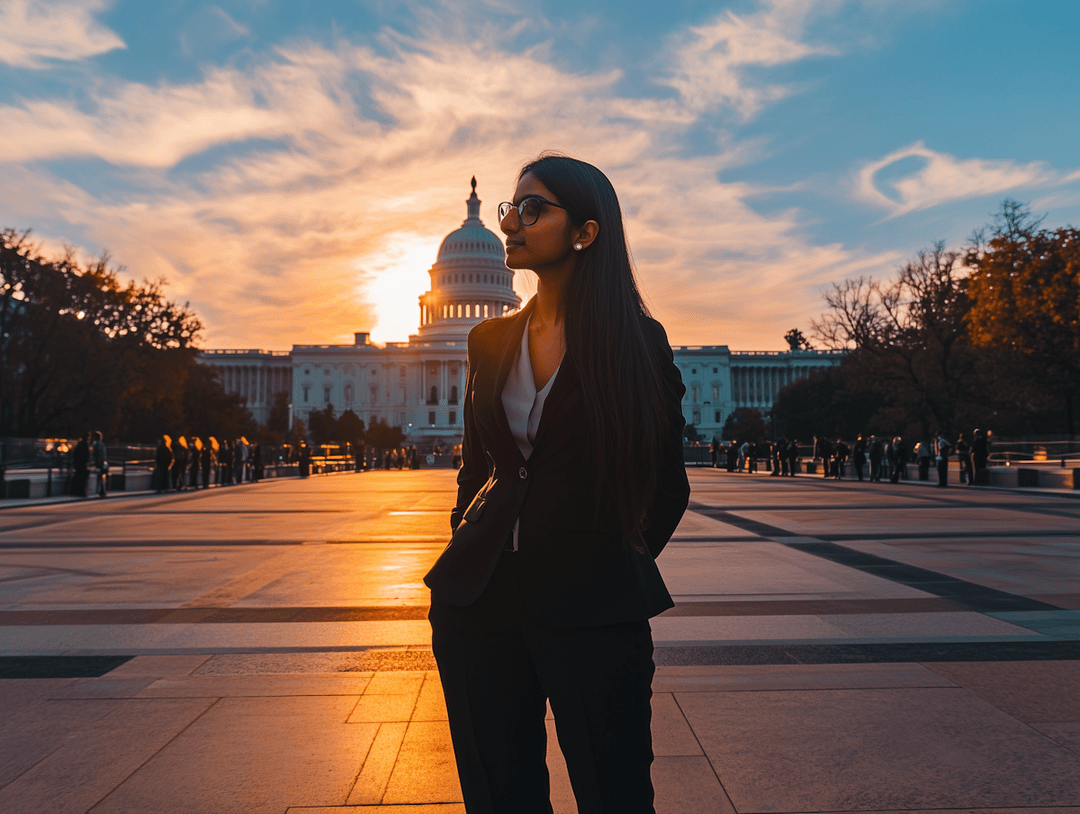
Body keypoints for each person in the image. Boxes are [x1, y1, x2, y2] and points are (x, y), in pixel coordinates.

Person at [425, 156, 690, 814]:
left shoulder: (634, 342)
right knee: (500, 799)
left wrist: (606, 558)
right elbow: (477, 470)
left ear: (585, 232)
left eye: (533, 209)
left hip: (593, 605)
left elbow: (665, 483)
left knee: (615, 794)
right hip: (479, 610)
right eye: (508, 211)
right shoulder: (487, 339)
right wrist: (468, 550)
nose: (512, 222)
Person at [91, 431, 108, 497]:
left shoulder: (96, 444)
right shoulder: (101, 444)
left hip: (99, 464)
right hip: (103, 463)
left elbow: (95, 454)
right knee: (102, 478)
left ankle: (100, 491)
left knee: (100, 478)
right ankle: (102, 491)